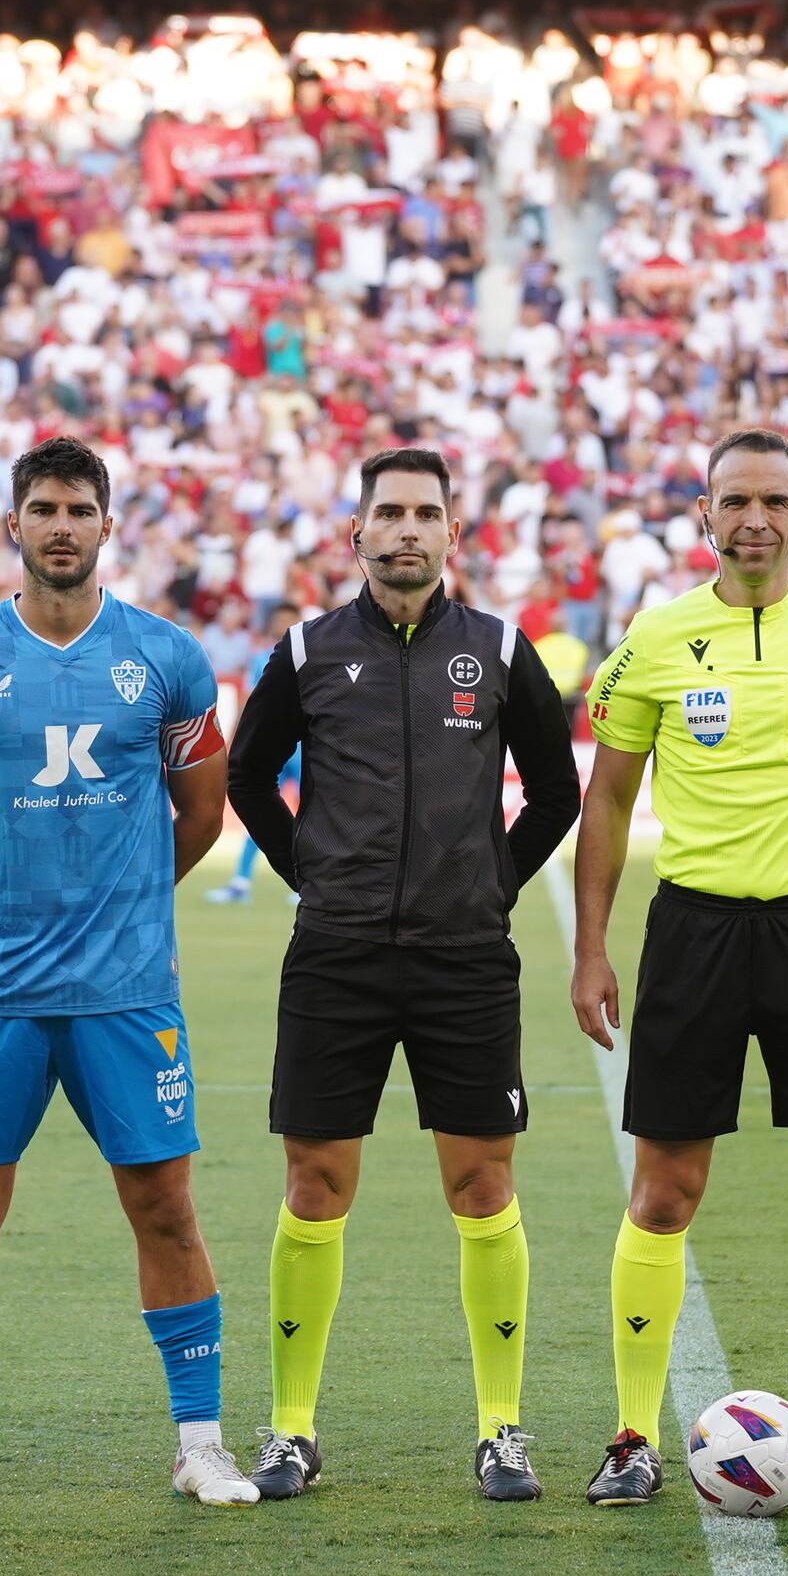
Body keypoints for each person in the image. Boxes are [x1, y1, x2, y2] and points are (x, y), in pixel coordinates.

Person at [0, 436, 258, 1514]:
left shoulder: (167, 656)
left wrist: (123, 906)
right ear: (14, 524)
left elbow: (203, 813)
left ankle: (200, 1441)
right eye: (41, 507)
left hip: (128, 990)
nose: (60, 525)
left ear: (106, 524)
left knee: (165, 1208)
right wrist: (9, 905)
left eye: (78, 508)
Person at [569, 428, 788, 1507]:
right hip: (692, 932)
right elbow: (606, 799)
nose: (754, 520)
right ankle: (632, 1434)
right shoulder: (656, 635)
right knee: (664, 1190)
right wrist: (591, 944)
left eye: (774, 500)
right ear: (703, 516)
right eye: (734, 500)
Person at [222, 446, 582, 1503]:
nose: (408, 529)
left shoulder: (504, 650)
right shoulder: (304, 650)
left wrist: (490, 882)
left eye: (427, 512)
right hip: (335, 955)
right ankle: (290, 1427)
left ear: (453, 535)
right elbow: (248, 778)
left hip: (464, 955)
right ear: (357, 534)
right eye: (390, 512)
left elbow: (554, 793)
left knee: (481, 1184)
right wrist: (315, 876)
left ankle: (501, 1427)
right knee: (313, 1183)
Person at [205, 606, 300, 907]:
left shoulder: (310, 655)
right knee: (259, 813)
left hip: (300, 750)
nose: (284, 626)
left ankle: (308, 884)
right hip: (269, 749)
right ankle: (241, 881)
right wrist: (233, 739)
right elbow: (248, 702)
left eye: (289, 621)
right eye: (280, 621)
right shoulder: (262, 660)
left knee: (313, 814)